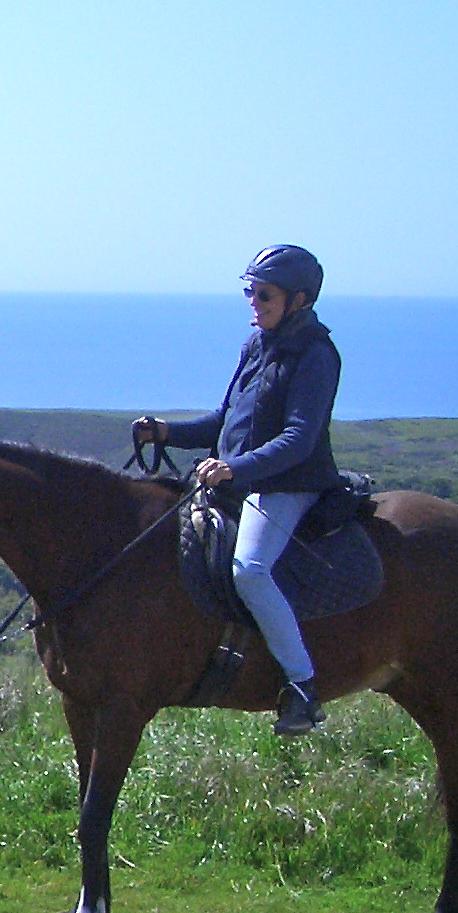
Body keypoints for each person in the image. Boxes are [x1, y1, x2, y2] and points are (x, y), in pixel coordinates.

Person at [133, 245, 341, 736]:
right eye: (249, 291)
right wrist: (166, 432)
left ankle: (302, 686)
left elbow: (299, 439)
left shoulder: (317, 355)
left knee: (249, 569)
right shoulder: (256, 345)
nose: (253, 300)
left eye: (263, 293)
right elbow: (226, 422)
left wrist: (236, 469)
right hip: (240, 478)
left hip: (289, 485)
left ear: (300, 300)